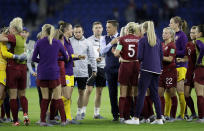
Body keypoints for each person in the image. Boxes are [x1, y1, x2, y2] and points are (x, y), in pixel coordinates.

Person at [125, 21, 163, 125]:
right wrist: (160, 68)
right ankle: (159, 119)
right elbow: (161, 57)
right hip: (157, 70)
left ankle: (136, 118)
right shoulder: (158, 40)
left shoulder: (142, 40)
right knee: (155, 94)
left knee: (141, 94)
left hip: (146, 69)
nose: (140, 30)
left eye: (141, 29)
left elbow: (139, 57)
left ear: (144, 29)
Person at [32, 24, 69, 126]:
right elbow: (66, 57)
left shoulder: (39, 42)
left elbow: (34, 59)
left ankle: (43, 121)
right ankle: (63, 120)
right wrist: (55, 59)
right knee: (58, 97)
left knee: (45, 98)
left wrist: (43, 61)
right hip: (54, 72)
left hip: (42, 72)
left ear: (44, 31)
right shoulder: (57, 42)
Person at [0, 17, 29, 126]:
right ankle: (26, 115)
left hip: (12, 68)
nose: (9, 29)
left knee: (12, 96)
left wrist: (4, 35)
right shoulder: (23, 38)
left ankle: (16, 120)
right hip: (23, 70)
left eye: (10, 27)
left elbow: (1, 39)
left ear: (13, 28)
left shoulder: (13, 37)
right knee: (23, 95)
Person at [114, 22, 140, 123]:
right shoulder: (139, 39)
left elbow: (116, 53)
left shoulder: (122, 39)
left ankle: (122, 116)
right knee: (135, 92)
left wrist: (122, 57)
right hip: (136, 66)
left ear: (127, 29)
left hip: (125, 66)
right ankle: (136, 116)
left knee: (123, 93)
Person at [70, 24, 97, 120]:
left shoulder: (87, 42)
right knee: (68, 94)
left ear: (83, 32)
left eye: (79, 32)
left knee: (81, 93)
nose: (77, 34)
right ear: (73, 32)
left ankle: (79, 112)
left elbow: (92, 57)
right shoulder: (69, 41)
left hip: (83, 72)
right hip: (70, 72)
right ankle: (68, 114)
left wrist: (94, 69)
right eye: (75, 32)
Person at [58, 21, 82, 124]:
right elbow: (60, 57)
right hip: (64, 72)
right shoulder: (61, 40)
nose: (72, 30)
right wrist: (74, 56)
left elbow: (69, 57)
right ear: (67, 30)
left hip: (70, 71)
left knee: (68, 98)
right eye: (71, 28)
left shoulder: (68, 41)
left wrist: (77, 57)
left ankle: (68, 118)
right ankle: (50, 110)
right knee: (66, 96)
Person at [82, 21, 106, 119]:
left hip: (103, 67)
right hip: (91, 67)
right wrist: (93, 59)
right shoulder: (88, 41)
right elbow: (84, 56)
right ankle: (82, 111)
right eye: (96, 27)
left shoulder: (105, 40)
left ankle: (96, 113)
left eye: (100, 27)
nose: (98, 29)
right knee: (88, 90)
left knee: (99, 91)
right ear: (92, 29)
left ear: (102, 29)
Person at [100, 20, 120, 121]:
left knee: (126, 92)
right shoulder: (104, 38)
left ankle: (128, 112)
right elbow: (102, 52)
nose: (106, 29)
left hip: (122, 68)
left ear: (115, 28)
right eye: (106, 27)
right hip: (110, 69)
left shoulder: (122, 37)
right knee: (112, 93)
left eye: (108, 27)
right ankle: (115, 115)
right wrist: (111, 43)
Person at [169, 16, 188, 120]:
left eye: (171, 23)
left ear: (177, 24)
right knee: (173, 91)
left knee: (180, 90)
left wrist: (173, 52)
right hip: (173, 66)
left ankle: (183, 115)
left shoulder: (182, 36)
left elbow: (184, 51)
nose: (170, 25)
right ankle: (173, 114)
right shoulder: (173, 35)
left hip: (181, 66)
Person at [158, 27, 178, 122]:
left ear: (171, 35)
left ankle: (172, 116)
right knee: (160, 94)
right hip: (161, 72)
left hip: (170, 72)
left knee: (172, 94)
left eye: (166, 33)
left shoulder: (172, 46)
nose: (163, 34)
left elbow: (170, 59)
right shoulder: (161, 44)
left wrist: (159, 56)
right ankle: (161, 115)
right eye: (163, 32)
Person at [182, 26, 197, 121]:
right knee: (186, 94)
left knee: (200, 94)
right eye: (191, 32)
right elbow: (187, 57)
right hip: (189, 72)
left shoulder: (200, 44)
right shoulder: (188, 44)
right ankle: (194, 113)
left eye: (194, 32)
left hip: (198, 71)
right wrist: (181, 59)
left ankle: (201, 114)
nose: (192, 34)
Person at [194, 24, 204, 122]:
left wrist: (199, 60)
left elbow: (202, 48)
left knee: (200, 94)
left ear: (200, 33)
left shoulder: (198, 40)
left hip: (201, 69)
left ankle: (201, 117)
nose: (195, 34)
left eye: (196, 32)